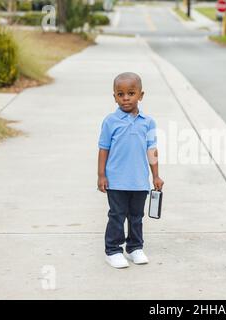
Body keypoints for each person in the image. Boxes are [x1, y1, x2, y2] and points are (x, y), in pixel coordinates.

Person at [97, 72, 164, 269]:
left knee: (136, 217)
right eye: (120, 94)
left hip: (139, 181)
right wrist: (101, 175)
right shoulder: (110, 121)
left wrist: (156, 176)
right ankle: (113, 250)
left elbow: (152, 150)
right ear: (114, 97)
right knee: (117, 215)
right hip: (116, 181)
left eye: (131, 93)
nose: (126, 98)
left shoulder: (148, 122)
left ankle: (135, 247)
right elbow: (103, 149)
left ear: (141, 95)